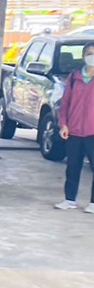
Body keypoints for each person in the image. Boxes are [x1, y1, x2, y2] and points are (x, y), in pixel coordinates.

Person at [56, 42, 94, 211]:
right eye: (89, 53)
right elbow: (65, 103)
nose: (91, 57)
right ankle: (69, 199)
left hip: (92, 131)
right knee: (72, 166)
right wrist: (64, 124)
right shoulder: (74, 77)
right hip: (74, 130)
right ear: (84, 56)